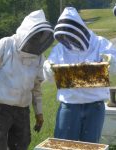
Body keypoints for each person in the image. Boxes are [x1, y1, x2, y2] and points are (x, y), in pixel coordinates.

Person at [0, 9, 54, 150]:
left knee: (21, 145)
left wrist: (39, 113)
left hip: (23, 111)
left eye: (39, 37)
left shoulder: (39, 57)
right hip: (1, 108)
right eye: (34, 36)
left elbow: (36, 87)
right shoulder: (6, 45)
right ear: (27, 32)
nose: (36, 41)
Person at [43, 7, 116, 143]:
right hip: (69, 106)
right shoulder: (60, 49)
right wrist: (48, 67)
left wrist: (111, 60)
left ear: (79, 28)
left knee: (90, 146)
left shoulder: (100, 43)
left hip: (95, 106)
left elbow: (115, 66)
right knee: (64, 145)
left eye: (71, 31)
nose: (69, 36)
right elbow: (48, 76)